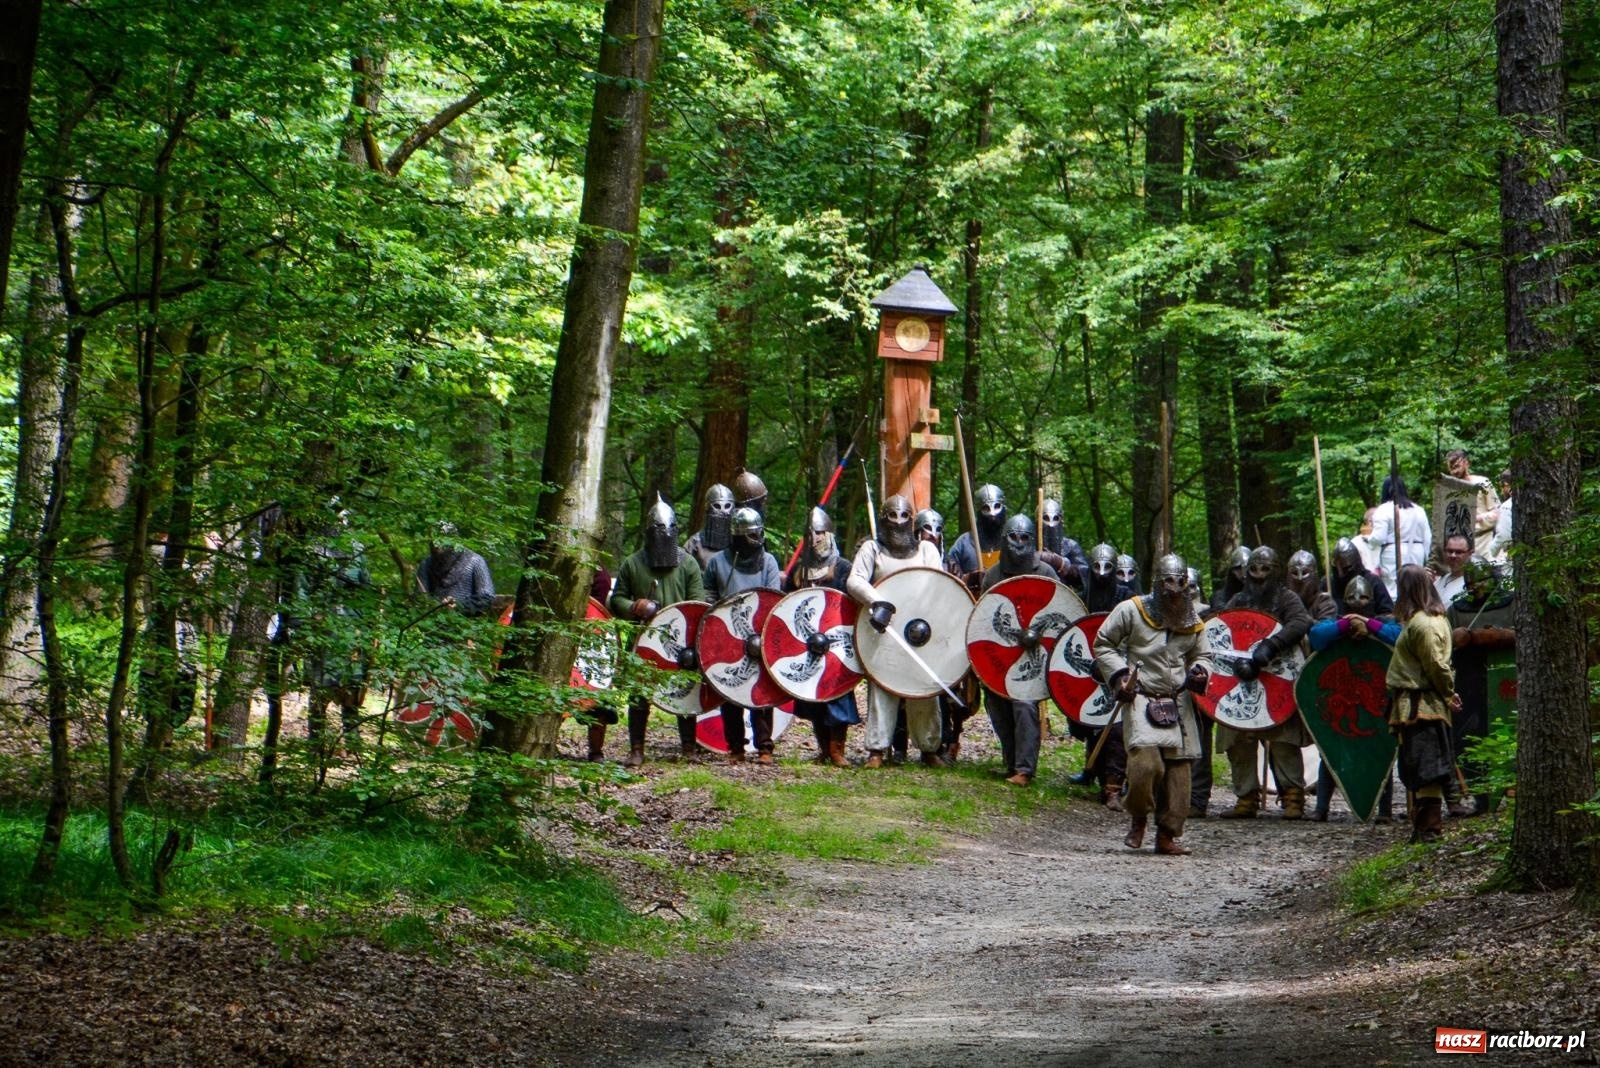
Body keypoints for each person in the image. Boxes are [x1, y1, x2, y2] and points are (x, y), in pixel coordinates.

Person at [1094, 553, 1212, 855]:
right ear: (1157, 582)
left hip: (1178, 700)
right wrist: (1120, 675)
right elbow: (1104, 643)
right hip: (1142, 697)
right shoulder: (1131, 611)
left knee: (1179, 776)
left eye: (1180, 582)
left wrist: (1199, 671)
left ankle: (1167, 835)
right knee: (1145, 766)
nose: (1174, 588)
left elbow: (1202, 655)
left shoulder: (1193, 620)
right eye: (1168, 581)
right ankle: (1138, 817)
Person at [606, 495, 706, 767]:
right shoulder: (633, 563)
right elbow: (616, 600)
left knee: (686, 691)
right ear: (649, 532)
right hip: (644, 638)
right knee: (640, 695)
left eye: (669, 529)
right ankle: (637, 749)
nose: (664, 535)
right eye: (659, 529)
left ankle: (688, 748)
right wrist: (634, 606)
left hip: (680, 642)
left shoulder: (687, 564)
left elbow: (698, 604)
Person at [849, 494, 945, 768]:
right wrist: (876, 601)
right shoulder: (872, 549)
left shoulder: (926, 550)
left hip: (918, 628)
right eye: (893, 515)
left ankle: (929, 749)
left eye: (904, 516)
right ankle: (877, 750)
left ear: (912, 520)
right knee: (883, 687)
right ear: (883, 519)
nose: (899, 521)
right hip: (886, 629)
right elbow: (855, 581)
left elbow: (936, 584)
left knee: (924, 686)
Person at [1218, 547, 1314, 820]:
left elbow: (1300, 622)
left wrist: (1272, 645)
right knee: (1239, 739)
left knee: (1283, 741)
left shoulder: (1287, 598)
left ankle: (1293, 797)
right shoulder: (1238, 599)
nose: (1259, 576)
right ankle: (1246, 798)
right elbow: (1222, 629)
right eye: (1254, 570)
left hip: (1277, 677)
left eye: (1265, 570)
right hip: (1243, 678)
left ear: (1275, 572)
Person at [1307, 575, 1399, 822]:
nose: (1358, 602)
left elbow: (1398, 636)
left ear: (1373, 600)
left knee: (1382, 750)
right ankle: (1321, 808)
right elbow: (1316, 636)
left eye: (1364, 597)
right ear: (1344, 600)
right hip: (1345, 697)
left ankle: (1385, 811)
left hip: (1375, 702)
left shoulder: (1384, 622)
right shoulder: (1336, 622)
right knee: (1332, 750)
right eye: (1352, 598)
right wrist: (1346, 625)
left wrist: (1368, 624)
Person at [979, 515, 1058, 786]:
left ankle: (1025, 769)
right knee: (996, 701)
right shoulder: (993, 575)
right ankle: (1012, 761)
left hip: (1035, 652)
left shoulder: (1045, 573)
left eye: (1025, 538)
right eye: (1013, 537)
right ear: (1004, 539)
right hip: (1003, 651)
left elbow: (1059, 613)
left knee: (1024, 704)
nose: (1019, 543)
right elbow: (985, 616)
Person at [1387, 564, 1461, 843]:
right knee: (1417, 767)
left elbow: (1436, 665)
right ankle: (1422, 830)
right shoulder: (1421, 620)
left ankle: (1430, 830)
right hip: (1418, 705)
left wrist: (1447, 693)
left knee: (1428, 768)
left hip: (1423, 707)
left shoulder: (1425, 623)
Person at [703, 506, 782, 765]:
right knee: (730, 689)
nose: (756, 539)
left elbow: (772, 598)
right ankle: (735, 746)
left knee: (761, 690)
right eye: (751, 534)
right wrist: (715, 616)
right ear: (739, 535)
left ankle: (765, 746)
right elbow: (708, 594)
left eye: (758, 533)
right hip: (727, 634)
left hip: (759, 634)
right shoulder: (718, 562)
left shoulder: (768, 562)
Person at [783, 506, 859, 768]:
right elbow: (786, 607)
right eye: (810, 533)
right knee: (813, 695)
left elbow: (852, 605)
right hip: (808, 643)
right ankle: (824, 748)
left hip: (837, 642)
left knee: (837, 693)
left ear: (829, 534)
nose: (815, 538)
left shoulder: (843, 568)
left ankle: (837, 749)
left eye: (819, 532)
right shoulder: (799, 572)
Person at [296, 512, 373, 754]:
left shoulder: (357, 551)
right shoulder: (312, 551)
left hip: (352, 630)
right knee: (320, 687)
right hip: (322, 630)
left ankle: (353, 743)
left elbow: (366, 592)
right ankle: (315, 743)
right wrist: (304, 624)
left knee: (351, 687)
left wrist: (368, 627)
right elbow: (302, 592)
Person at [1446, 557, 1514, 817]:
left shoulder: (1512, 603)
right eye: (1471, 583)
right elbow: (1445, 645)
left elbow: (1525, 635)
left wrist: (1498, 636)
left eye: (1481, 581)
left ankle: (1512, 790)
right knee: (1469, 735)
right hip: (1469, 680)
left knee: (1506, 730)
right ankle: (1480, 796)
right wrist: (1457, 638)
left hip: (1505, 680)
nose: (1476, 587)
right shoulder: (1457, 609)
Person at [1070, 542, 1136, 807]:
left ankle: (1113, 786)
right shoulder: (1081, 597)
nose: (1101, 572)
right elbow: (1074, 632)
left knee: (1116, 727)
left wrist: (1119, 666)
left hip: (1120, 665)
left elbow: (1134, 634)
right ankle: (1094, 774)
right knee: (1091, 723)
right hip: (1087, 668)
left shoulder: (1126, 598)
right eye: (1096, 566)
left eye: (1107, 566)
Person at [1367, 474, 1432, 599]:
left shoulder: (1384, 510)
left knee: (1393, 588)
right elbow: (1427, 539)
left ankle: (1395, 608)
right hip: (1417, 552)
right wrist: (1427, 559)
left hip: (1392, 553)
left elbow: (1379, 537)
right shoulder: (1419, 510)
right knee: (1415, 584)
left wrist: (1369, 540)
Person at [416, 523, 496, 617]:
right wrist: (434, 605)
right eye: (434, 539)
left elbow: (486, 597)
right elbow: (420, 598)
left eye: (441, 539)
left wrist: (460, 606)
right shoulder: (426, 564)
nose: (436, 544)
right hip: (433, 619)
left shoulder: (475, 561)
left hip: (466, 620)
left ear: (453, 541)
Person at [946, 484, 1007, 591]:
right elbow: (949, 577)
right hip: (972, 600)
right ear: (979, 511)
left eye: (997, 506)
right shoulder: (964, 543)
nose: (992, 514)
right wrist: (967, 579)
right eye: (986, 508)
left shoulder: (1011, 542)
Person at [1443, 449, 1500, 559]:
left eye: (1457, 466)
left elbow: (1498, 512)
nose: (1454, 471)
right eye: (1451, 468)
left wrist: (1478, 518)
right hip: (1460, 547)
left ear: (1466, 463)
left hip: (1485, 543)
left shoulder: (1483, 483)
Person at [1329, 537, 1393, 617]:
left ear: (1356, 564)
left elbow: (1387, 615)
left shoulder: (1373, 582)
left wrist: (1368, 621)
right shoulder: (1328, 584)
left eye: (1345, 568)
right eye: (1337, 568)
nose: (1340, 574)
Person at [1037, 498, 1089, 590]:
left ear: (1061, 521)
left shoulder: (1070, 546)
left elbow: (1085, 575)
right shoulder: (1030, 544)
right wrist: (1035, 557)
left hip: (1062, 593)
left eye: (1055, 518)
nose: (1051, 524)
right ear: (1038, 521)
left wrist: (1062, 563)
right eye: (1046, 518)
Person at [684, 484, 735, 570]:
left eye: (727, 506)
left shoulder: (739, 542)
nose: (723, 511)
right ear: (707, 507)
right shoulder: (693, 544)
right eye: (717, 506)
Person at [1431, 533, 1472, 607]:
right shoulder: (1440, 580)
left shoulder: (1472, 585)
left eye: (1458, 552)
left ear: (1469, 554)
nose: (1453, 555)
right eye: (1450, 551)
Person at [1209, 546, 1250, 615]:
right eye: (1238, 568)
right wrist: (1233, 602)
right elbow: (1219, 617)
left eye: (1247, 567)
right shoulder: (1219, 597)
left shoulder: (1264, 594)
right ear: (1232, 571)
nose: (1243, 573)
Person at [1488, 470, 1513, 563]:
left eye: (1502, 487)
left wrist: (1491, 552)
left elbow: (1503, 536)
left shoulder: (1507, 506)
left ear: (1507, 485)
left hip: (1515, 557)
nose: (1502, 492)